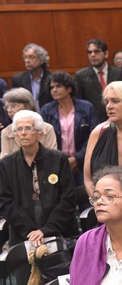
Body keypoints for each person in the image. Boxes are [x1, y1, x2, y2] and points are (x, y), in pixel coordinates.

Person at [0, 110, 78, 246]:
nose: (23, 133)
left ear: (40, 134)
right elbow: (5, 202)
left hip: (60, 231)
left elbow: (68, 198)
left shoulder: (59, 159)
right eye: (19, 129)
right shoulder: (6, 164)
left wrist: (46, 230)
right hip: (23, 234)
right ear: (15, 135)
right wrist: (30, 231)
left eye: (28, 128)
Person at [39, 71, 98, 187]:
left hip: (83, 163)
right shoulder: (46, 110)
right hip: (57, 164)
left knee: (85, 194)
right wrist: (61, 159)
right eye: (51, 87)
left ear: (69, 89)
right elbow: (44, 138)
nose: (54, 90)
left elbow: (94, 135)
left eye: (58, 86)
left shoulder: (86, 107)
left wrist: (77, 158)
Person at [74, 39, 122, 123]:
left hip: (118, 120)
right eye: (90, 52)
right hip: (94, 122)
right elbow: (79, 103)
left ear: (106, 54)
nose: (92, 55)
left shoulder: (119, 74)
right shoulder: (80, 76)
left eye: (96, 51)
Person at [1, 88, 58, 158]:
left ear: (28, 106)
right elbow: (5, 161)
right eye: (7, 107)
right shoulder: (6, 132)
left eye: (13, 106)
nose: (9, 110)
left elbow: (53, 158)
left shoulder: (47, 129)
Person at [11, 43, 53, 110]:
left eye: (31, 57)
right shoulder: (17, 79)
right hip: (27, 115)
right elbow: (15, 102)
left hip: (47, 114)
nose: (27, 61)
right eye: (25, 57)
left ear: (42, 60)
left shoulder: (52, 78)